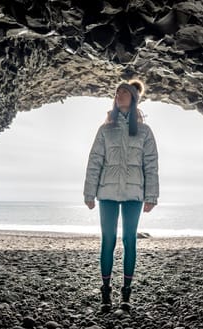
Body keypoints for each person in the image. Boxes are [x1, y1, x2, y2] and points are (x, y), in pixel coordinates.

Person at [83, 79, 159, 311]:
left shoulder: (144, 131)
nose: (119, 95)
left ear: (133, 98)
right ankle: (106, 293)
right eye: (117, 92)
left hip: (134, 194)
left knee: (129, 240)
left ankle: (126, 294)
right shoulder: (105, 129)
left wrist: (151, 196)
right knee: (108, 240)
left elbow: (151, 164)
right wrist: (89, 192)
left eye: (124, 92)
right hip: (106, 192)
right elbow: (94, 161)